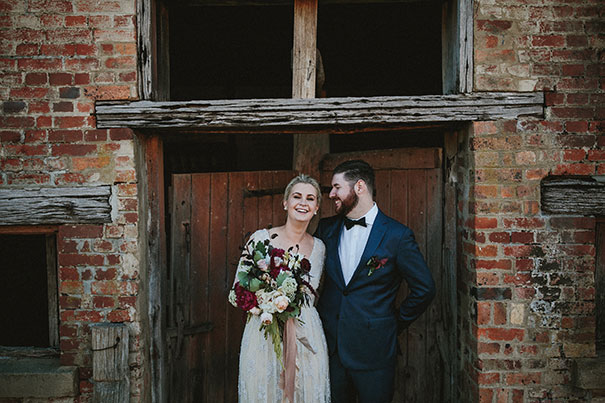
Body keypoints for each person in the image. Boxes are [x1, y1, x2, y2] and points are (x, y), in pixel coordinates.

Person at [315, 160, 436, 403]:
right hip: (331, 349)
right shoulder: (326, 229)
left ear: (359, 187)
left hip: (375, 351)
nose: (331, 194)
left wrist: (393, 323)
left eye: (337, 187)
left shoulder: (397, 235)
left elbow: (424, 289)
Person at [234, 174, 331, 402]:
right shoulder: (261, 239)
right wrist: (268, 300)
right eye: (297, 196)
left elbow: (314, 296)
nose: (303, 203)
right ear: (285, 202)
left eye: (310, 199)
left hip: (306, 333)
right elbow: (238, 289)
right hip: (265, 330)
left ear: (316, 208)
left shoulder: (320, 248)